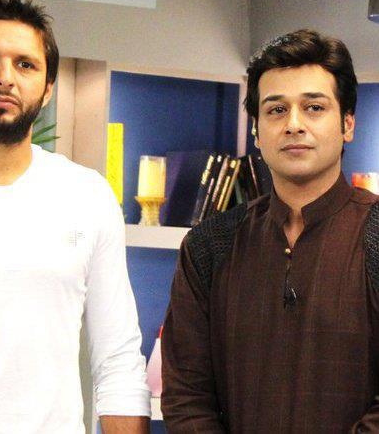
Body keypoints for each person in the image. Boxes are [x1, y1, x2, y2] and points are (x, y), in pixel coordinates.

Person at [0, 0, 150, 433]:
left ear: (46, 90)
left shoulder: (87, 196)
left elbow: (118, 357)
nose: (5, 78)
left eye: (25, 64)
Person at [161, 29, 379, 433]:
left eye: (314, 107)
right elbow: (186, 397)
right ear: (257, 132)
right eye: (276, 110)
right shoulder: (208, 246)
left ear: (348, 124)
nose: (294, 124)